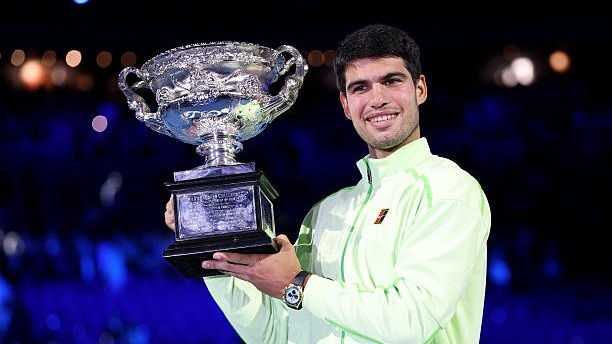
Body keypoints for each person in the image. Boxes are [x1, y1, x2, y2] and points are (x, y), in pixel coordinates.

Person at [164, 23, 491, 344]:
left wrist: (297, 283)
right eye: (360, 87)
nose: (377, 99)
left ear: (420, 89)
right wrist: (213, 242)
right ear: (346, 105)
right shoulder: (324, 213)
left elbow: (411, 322)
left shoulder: (448, 190)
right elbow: (277, 334)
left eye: (391, 81)